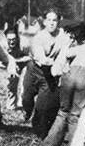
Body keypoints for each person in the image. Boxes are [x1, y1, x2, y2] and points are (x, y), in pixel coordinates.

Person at [21, 10, 68, 138]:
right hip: (35, 69)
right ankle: (27, 110)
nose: (51, 23)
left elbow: (63, 56)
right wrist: (44, 60)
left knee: (42, 106)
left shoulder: (63, 37)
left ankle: (39, 131)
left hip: (50, 74)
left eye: (54, 20)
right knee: (27, 97)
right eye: (49, 20)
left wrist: (56, 69)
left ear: (58, 22)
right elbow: (38, 53)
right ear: (44, 21)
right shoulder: (39, 36)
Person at [3, 27, 31, 112]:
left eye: (14, 39)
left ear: (18, 38)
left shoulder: (25, 43)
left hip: (25, 61)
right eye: (9, 39)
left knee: (25, 82)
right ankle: (11, 104)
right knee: (12, 80)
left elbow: (31, 57)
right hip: (11, 62)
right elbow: (1, 60)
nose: (11, 42)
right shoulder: (3, 44)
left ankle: (22, 103)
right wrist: (12, 65)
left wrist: (17, 61)